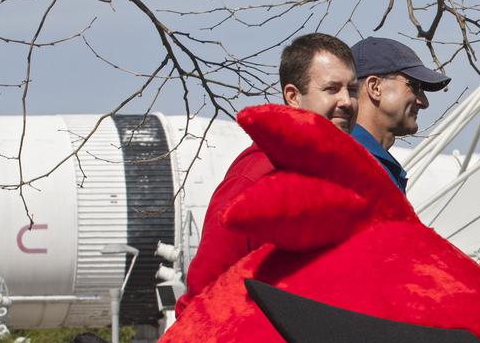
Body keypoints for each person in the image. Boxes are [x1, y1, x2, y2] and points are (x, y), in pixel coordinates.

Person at [181, 33, 358, 311]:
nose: (347, 101)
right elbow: (203, 296)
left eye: (352, 89)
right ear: (293, 97)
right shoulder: (255, 177)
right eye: (332, 88)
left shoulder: (345, 178)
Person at [349, 37, 451, 191]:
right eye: (414, 86)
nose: (424, 102)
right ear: (375, 87)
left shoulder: (373, 163)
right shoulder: (347, 163)